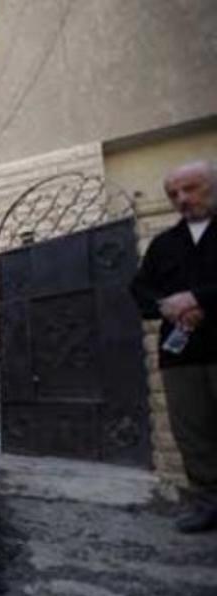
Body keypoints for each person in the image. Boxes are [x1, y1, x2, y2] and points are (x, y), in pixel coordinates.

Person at [130, 159, 217, 533]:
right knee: (192, 433)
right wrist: (167, 307)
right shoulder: (164, 244)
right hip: (181, 355)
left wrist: (198, 299)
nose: (182, 198)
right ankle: (208, 503)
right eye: (173, 193)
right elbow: (140, 290)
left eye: (191, 188)